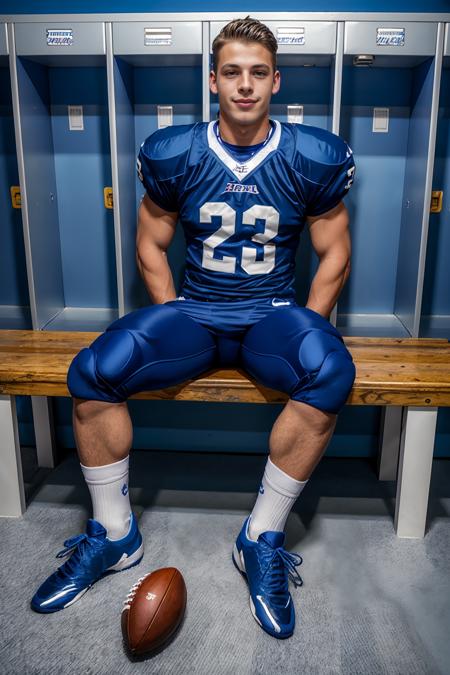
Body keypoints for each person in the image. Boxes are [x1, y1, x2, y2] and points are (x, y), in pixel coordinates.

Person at [31, 17, 356, 639]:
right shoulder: (176, 150)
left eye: (258, 73)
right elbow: (150, 245)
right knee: (92, 371)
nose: (245, 85)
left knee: (331, 370)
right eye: (232, 72)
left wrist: (307, 329)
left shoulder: (311, 154)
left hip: (271, 315)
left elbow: (334, 252)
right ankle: (115, 534)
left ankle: (259, 537)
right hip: (198, 311)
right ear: (213, 80)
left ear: (275, 81)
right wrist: (174, 312)